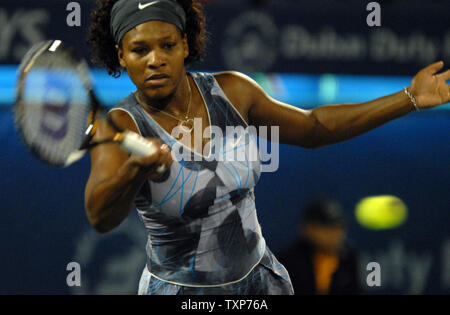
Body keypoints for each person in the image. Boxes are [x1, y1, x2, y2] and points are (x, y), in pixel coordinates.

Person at [85, 0, 450, 295]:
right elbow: (101, 217)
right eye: (139, 50)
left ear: (184, 44)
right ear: (121, 56)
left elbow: (313, 127)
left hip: (260, 283)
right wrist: (134, 170)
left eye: (167, 45)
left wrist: (409, 98)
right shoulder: (120, 125)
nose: (155, 59)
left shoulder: (232, 92)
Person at [278, 199, 361, 295]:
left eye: (339, 228)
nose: (335, 235)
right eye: (327, 228)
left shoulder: (349, 256)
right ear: (308, 229)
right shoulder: (288, 260)